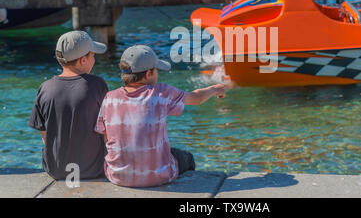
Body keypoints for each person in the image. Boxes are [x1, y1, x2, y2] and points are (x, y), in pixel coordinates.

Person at [95, 45, 228, 188]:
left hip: (118, 176)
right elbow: (196, 98)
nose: (157, 74)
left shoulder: (109, 98)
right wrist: (214, 89)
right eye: (156, 70)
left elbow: (107, 139)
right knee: (187, 157)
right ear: (148, 74)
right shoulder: (161, 93)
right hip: (159, 176)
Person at [29, 31, 109, 180]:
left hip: (56, 170)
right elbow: (107, 130)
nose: (94, 59)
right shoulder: (97, 85)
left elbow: (44, 135)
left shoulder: (45, 88)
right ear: (83, 60)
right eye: (93, 55)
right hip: (92, 169)